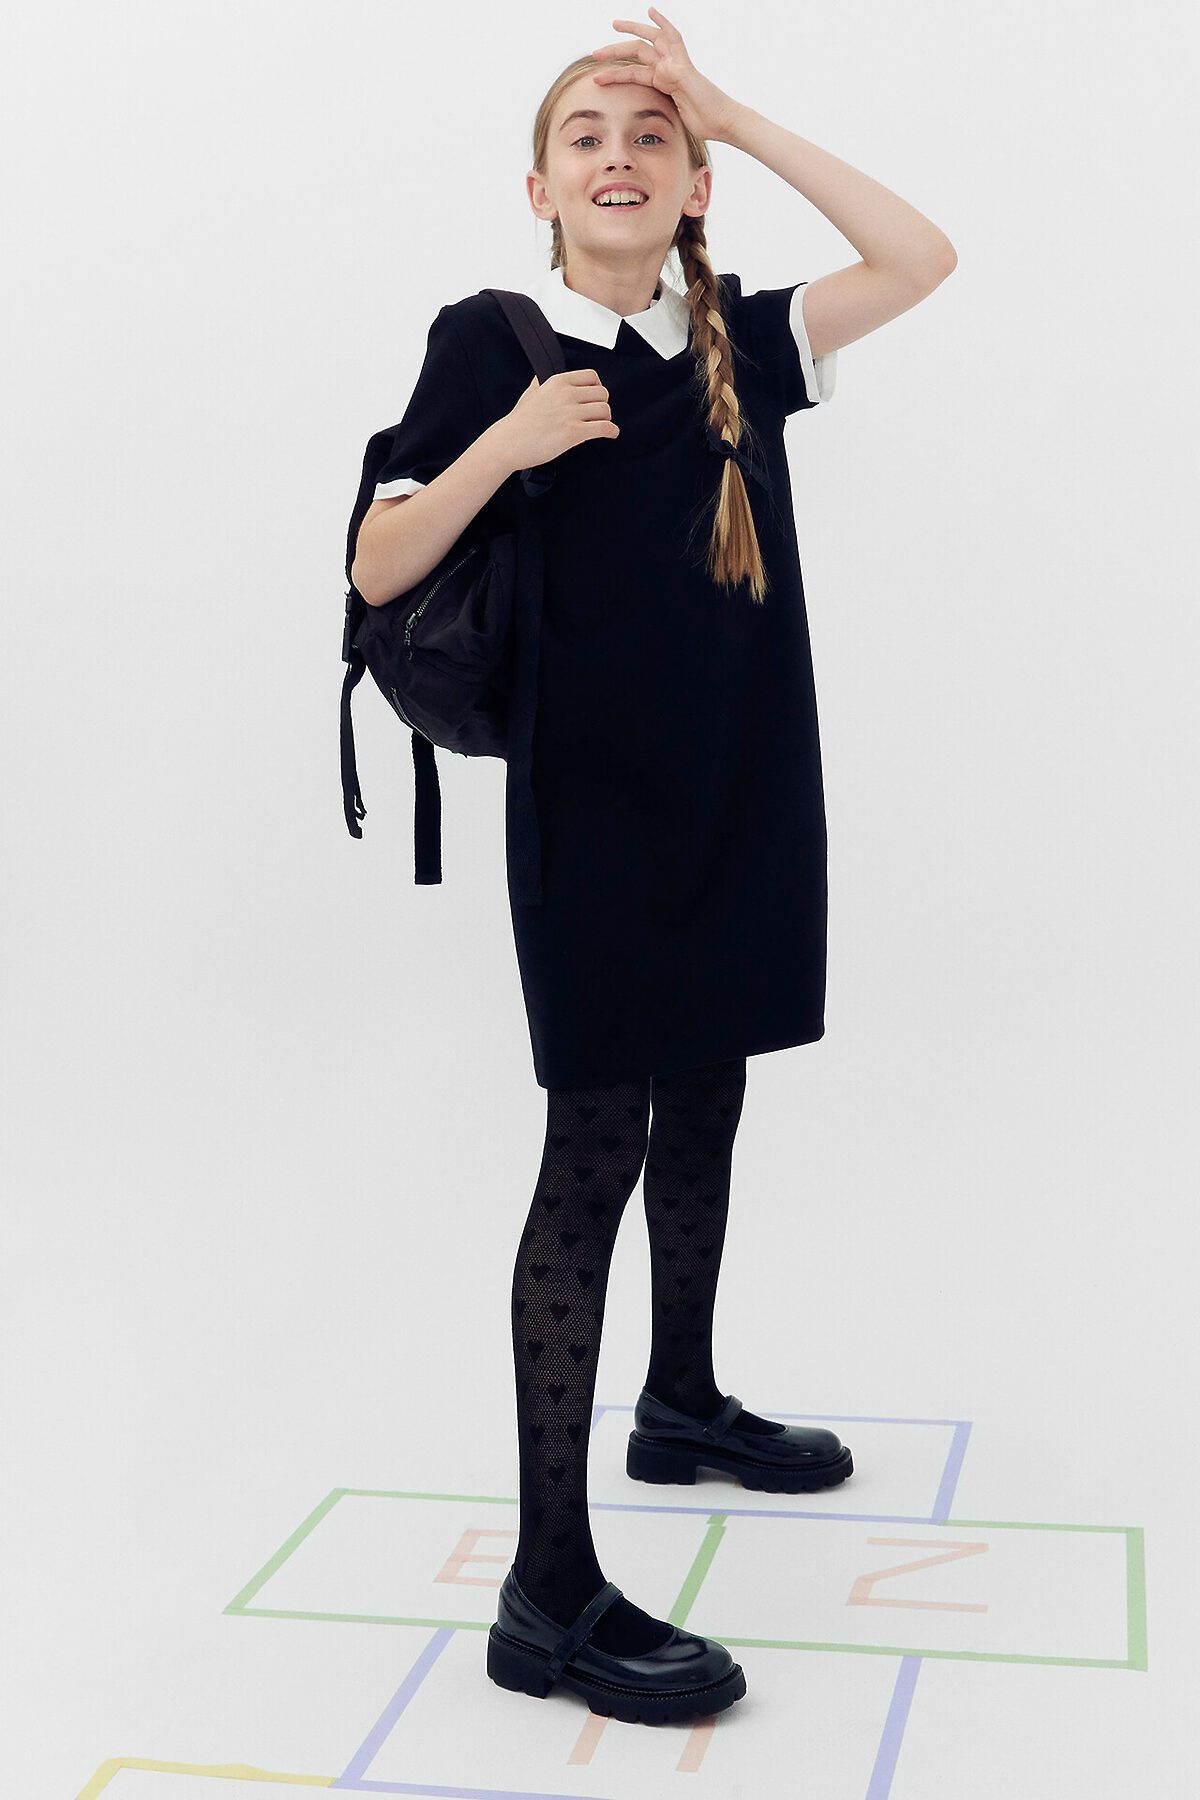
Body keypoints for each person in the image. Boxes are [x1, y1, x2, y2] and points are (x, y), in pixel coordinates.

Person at [351, 11, 956, 1726]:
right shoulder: (492, 341)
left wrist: (737, 114)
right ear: (538, 188)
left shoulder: (738, 341)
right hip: (597, 817)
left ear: (687, 184)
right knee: (593, 1151)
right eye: (587, 136)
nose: (618, 154)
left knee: (711, 1092)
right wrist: (508, 445)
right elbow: (377, 562)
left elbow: (921, 257)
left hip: (744, 790)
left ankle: (680, 1401)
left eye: (650, 136)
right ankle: (546, 1592)